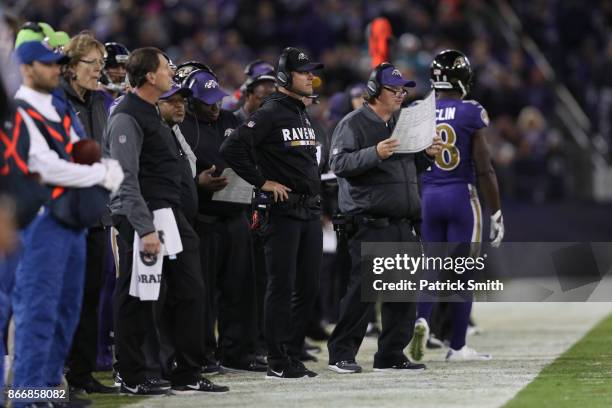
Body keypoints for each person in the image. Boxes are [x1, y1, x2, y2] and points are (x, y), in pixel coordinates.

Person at [107, 47, 227, 395]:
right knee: (140, 296)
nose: (172, 73)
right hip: (145, 217)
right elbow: (124, 178)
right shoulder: (126, 116)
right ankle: (133, 373)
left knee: (190, 290)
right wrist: (144, 227)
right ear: (149, 76)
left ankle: (185, 370)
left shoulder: (150, 114)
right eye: (166, 69)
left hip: (170, 216)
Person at [10, 40, 123, 407]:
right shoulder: (19, 110)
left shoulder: (57, 109)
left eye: (58, 63)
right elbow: (41, 164)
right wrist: (98, 173)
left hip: (71, 221)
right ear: (27, 69)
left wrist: (96, 169)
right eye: (47, 64)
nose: (56, 68)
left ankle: (49, 391)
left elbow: (79, 149)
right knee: (38, 312)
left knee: (67, 311)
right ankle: (28, 397)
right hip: (42, 223)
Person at [326, 62, 442, 374]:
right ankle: (341, 353)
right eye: (395, 89)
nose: (401, 94)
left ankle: (391, 353)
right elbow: (338, 163)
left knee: (402, 295)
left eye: (403, 89)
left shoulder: (401, 124)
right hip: (370, 221)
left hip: (402, 222)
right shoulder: (353, 123)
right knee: (363, 295)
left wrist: (426, 157)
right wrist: (375, 152)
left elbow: (405, 173)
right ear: (375, 92)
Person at [221, 46, 324, 379]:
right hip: (282, 213)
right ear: (285, 77)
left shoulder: (299, 111)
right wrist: (263, 181)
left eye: (311, 71)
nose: (311, 77)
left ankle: (292, 353)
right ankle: (277, 360)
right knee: (281, 286)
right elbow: (232, 147)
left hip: (308, 211)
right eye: (304, 72)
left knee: (307, 287)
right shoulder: (271, 111)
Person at [408, 49, 504, 363]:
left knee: (431, 266)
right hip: (461, 196)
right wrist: (497, 211)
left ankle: (422, 319)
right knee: (462, 273)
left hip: (429, 195)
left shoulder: (420, 110)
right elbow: (485, 168)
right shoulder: (470, 111)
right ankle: (458, 346)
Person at [180, 65, 265, 373]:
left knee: (240, 289)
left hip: (236, 216)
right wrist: (196, 183)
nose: (215, 106)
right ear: (190, 101)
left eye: (217, 99)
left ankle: (239, 352)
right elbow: (172, 172)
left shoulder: (229, 119)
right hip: (203, 219)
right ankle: (203, 353)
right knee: (201, 293)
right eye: (207, 101)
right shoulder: (182, 126)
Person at [58, 32, 117, 395]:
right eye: (91, 63)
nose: (99, 70)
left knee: (90, 297)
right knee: (62, 300)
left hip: (96, 215)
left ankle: (80, 376)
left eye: (101, 63)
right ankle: (42, 385)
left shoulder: (101, 102)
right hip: (64, 218)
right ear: (70, 68)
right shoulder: (55, 103)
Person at [100, 42, 130, 110]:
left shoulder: (128, 99)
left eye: (124, 67)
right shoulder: (92, 98)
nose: (120, 71)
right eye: (114, 66)